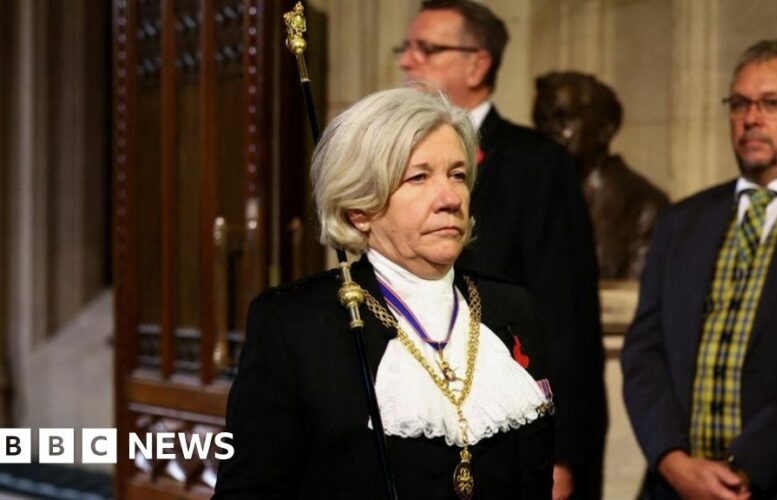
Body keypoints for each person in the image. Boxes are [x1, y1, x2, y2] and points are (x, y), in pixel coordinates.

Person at [214, 87, 561, 499]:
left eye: (457, 175)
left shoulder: (511, 309)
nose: (450, 199)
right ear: (358, 208)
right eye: (418, 177)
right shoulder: (295, 326)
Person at [396, 2, 606, 498]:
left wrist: (562, 454)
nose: (407, 61)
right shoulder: (393, 159)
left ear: (477, 64)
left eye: (426, 48)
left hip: (509, 432)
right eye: (405, 47)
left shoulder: (538, 164)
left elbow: (565, 317)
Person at [621, 39, 777, 499]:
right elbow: (645, 349)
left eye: (772, 104)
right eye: (739, 103)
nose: (751, 118)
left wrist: (747, 464)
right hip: (677, 484)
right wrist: (673, 460)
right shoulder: (683, 219)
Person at [533, 71, 670, 280]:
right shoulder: (529, 196)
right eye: (542, 120)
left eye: (564, 118)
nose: (550, 130)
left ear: (605, 128)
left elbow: (631, 301)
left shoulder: (642, 208)